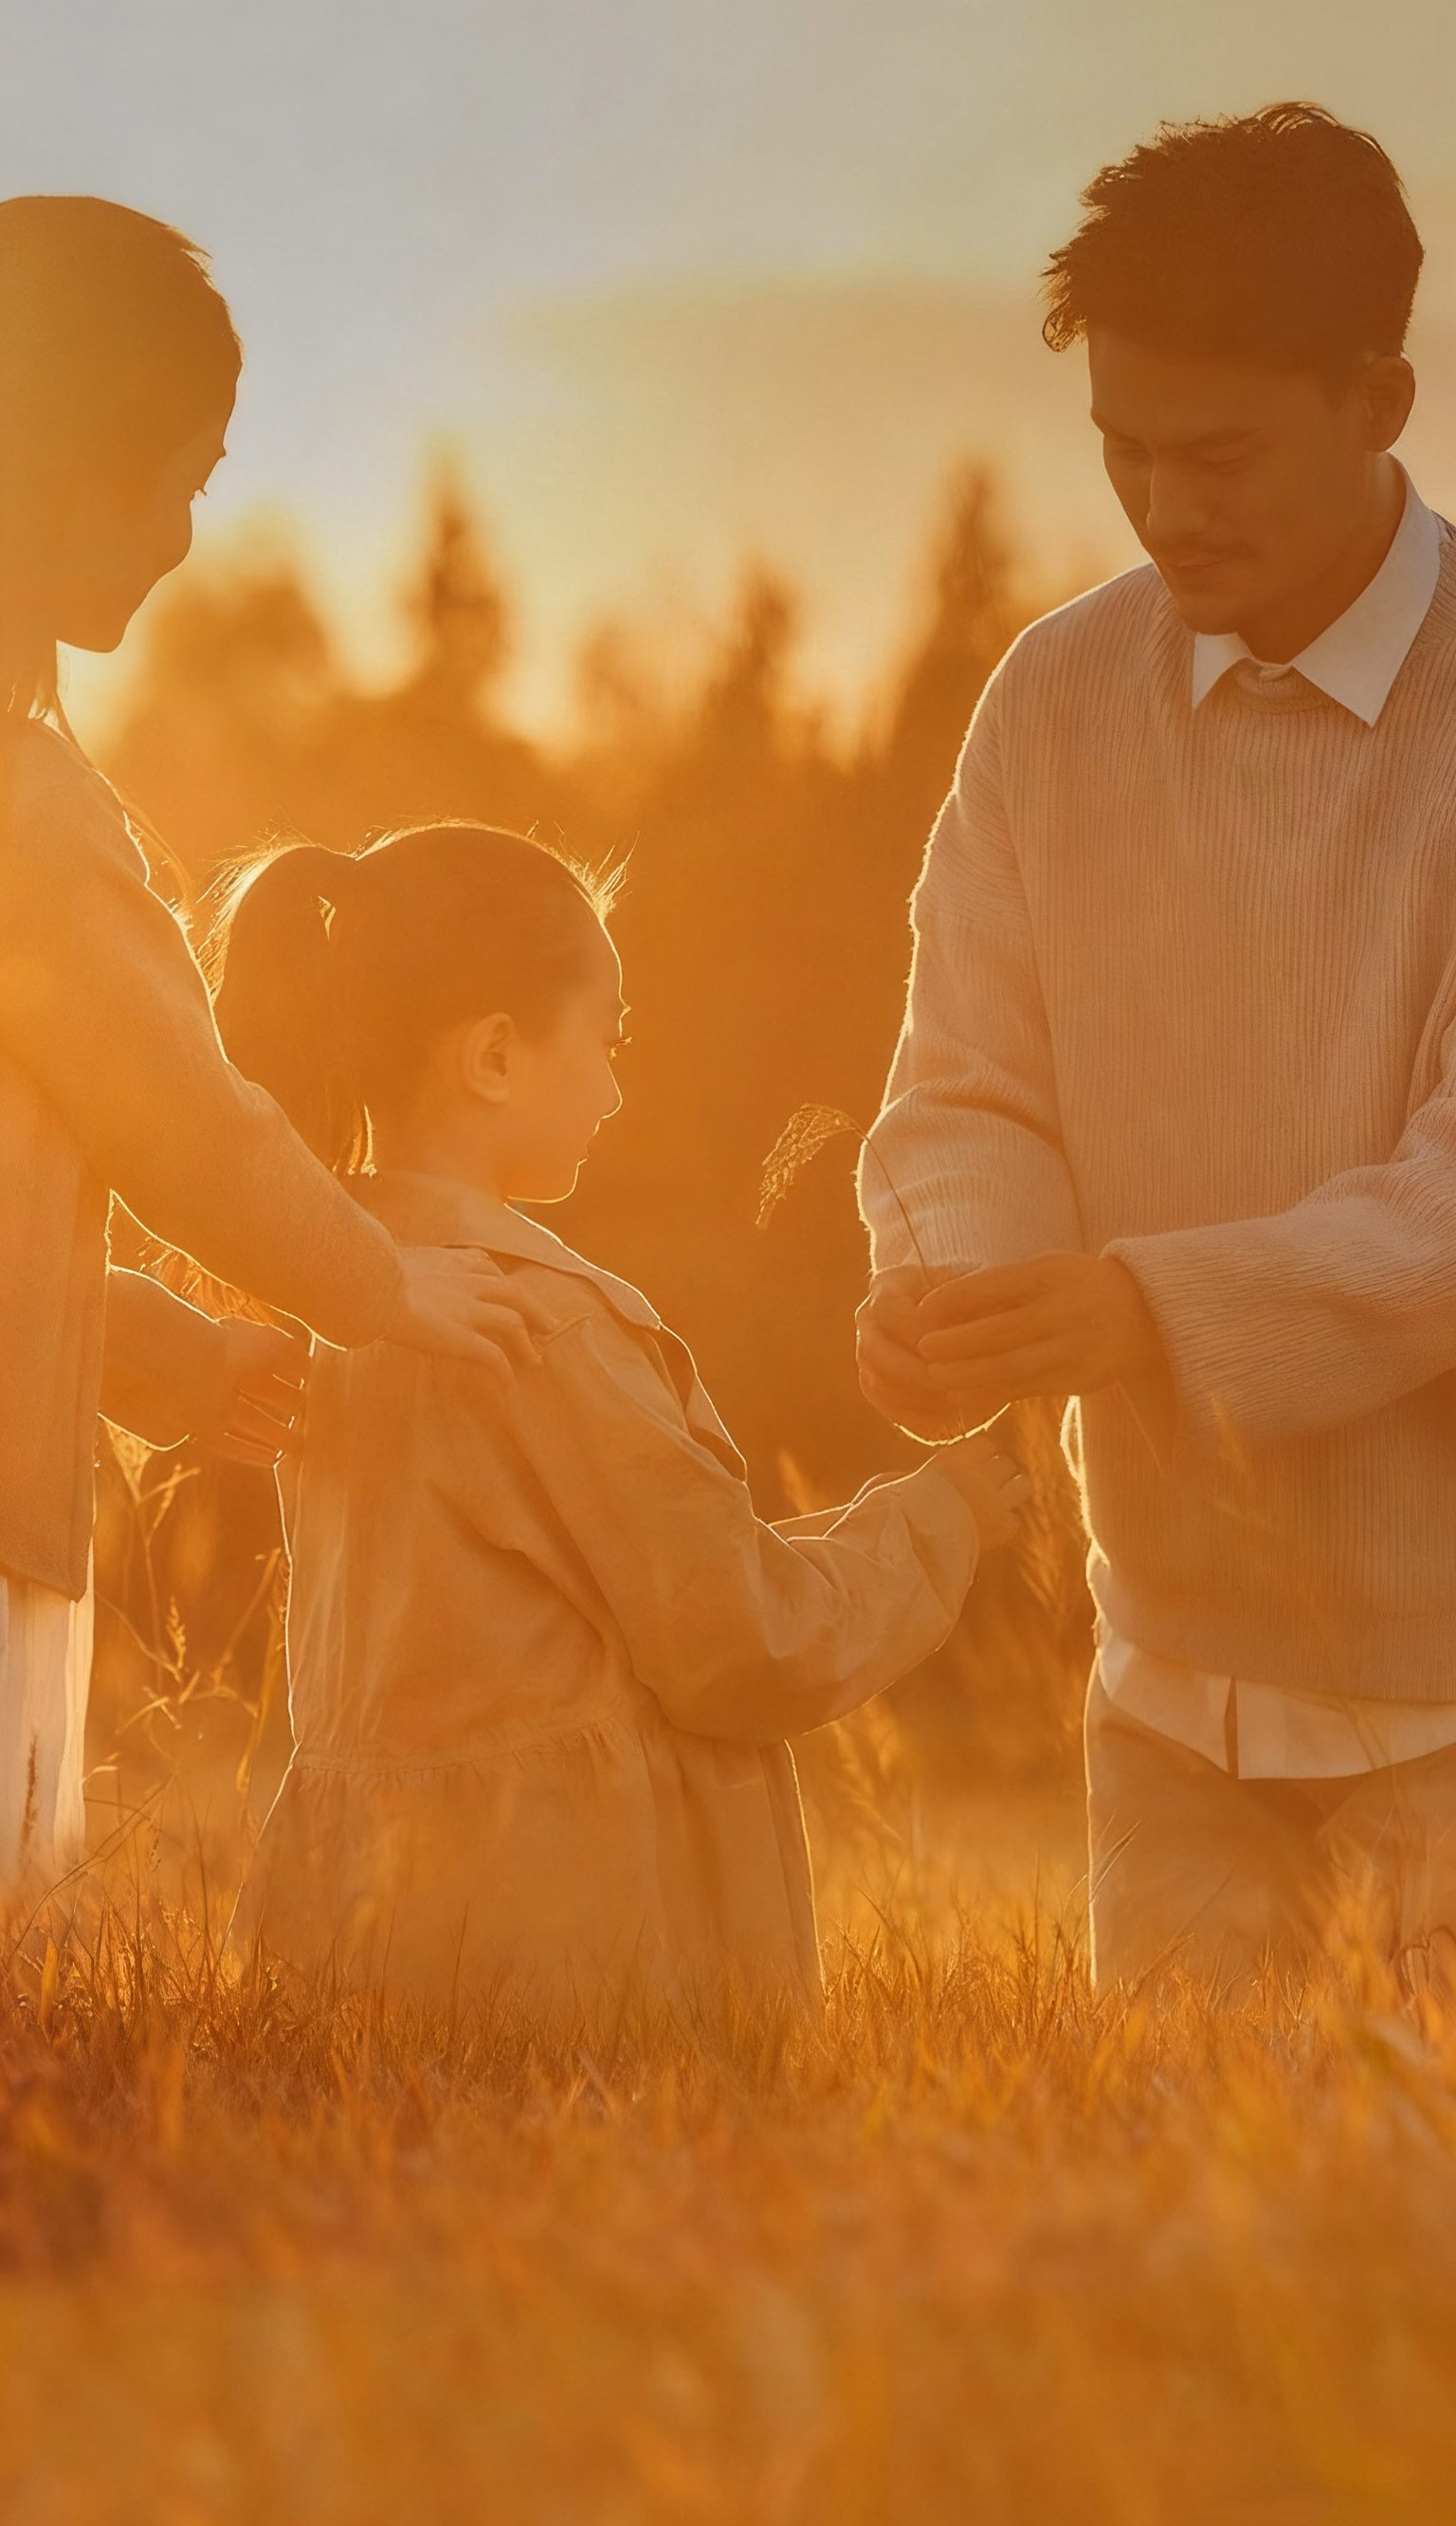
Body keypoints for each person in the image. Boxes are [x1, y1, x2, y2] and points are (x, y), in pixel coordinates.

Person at [855, 104, 1456, 1992]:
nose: (1164, 505)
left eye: (1219, 453)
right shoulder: (1055, 699)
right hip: (1167, 1695)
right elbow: (964, 1083)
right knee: (1176, 2265)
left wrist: (1137, 1313)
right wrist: (959, 1284)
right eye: (1121, 448)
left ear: (1383, 398)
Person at [215, 825, 1028, 2011]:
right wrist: (935, 1521)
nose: (616, 1088)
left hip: (360, 1951)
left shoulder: (337, 1306)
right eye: (608, 1040)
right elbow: (741, 1640)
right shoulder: (548, 1326)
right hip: (565, 1968)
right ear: (494, 1057)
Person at [0, 197, 537, 1893]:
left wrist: (168, 1362)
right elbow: (185, 1123)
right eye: (179, 473)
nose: (179, 530)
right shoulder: (28, 812)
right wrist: (376, 1285)